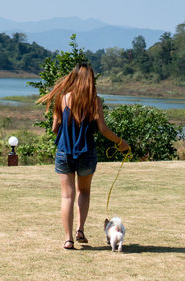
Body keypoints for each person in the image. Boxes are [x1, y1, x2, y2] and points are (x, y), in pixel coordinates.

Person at [37, 62, 129, 250]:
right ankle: (80, 229)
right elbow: (103, 129)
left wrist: (65, 137)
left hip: (64, 152)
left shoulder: (62, 99)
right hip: (86, 152)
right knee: (84, 191)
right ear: (90, 81)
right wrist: (121, 143)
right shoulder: (95, 101)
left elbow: (55, 128)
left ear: (74, 78)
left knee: (67, 196)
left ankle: (68, 239)